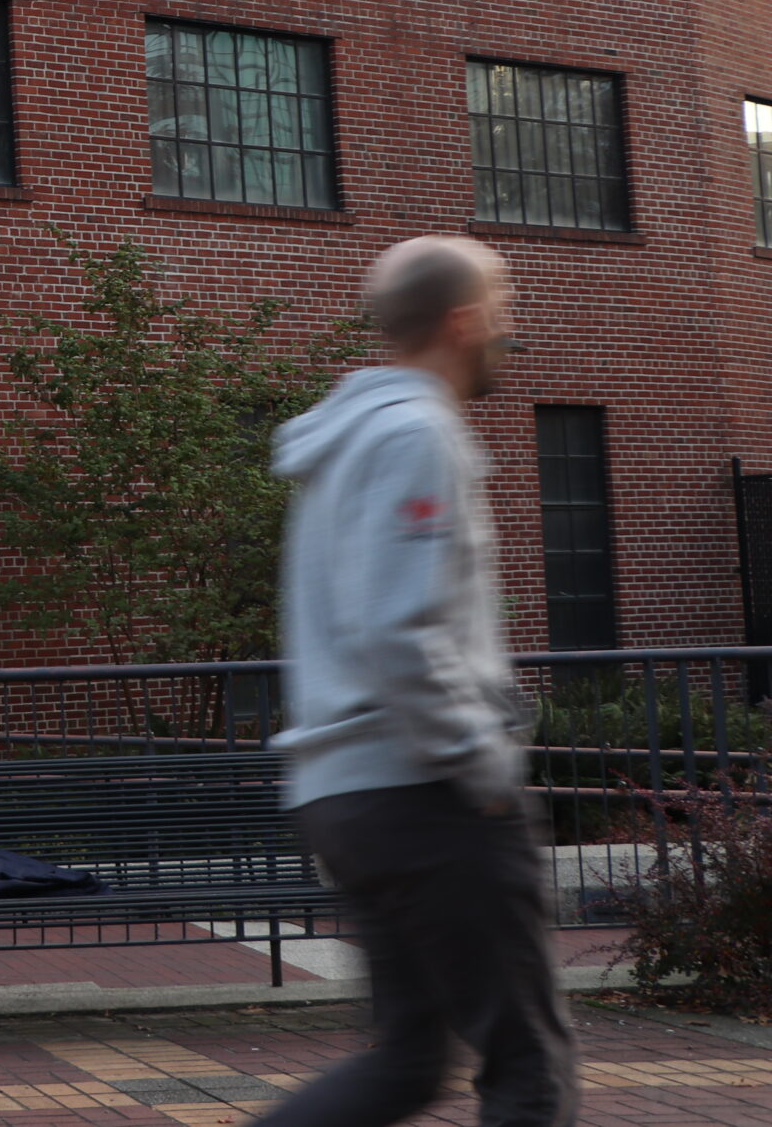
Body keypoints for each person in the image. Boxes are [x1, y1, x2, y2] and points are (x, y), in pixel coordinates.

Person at [261, 235, 576, 1127]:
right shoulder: (417, 434)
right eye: (506, 307)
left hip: (351, 792)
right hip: (425, 792)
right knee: (529, 1069)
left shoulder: (349, 440)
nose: (512, 330)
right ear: (463, 319)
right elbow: (398, 629)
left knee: (408, 1063)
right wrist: (478, 763)